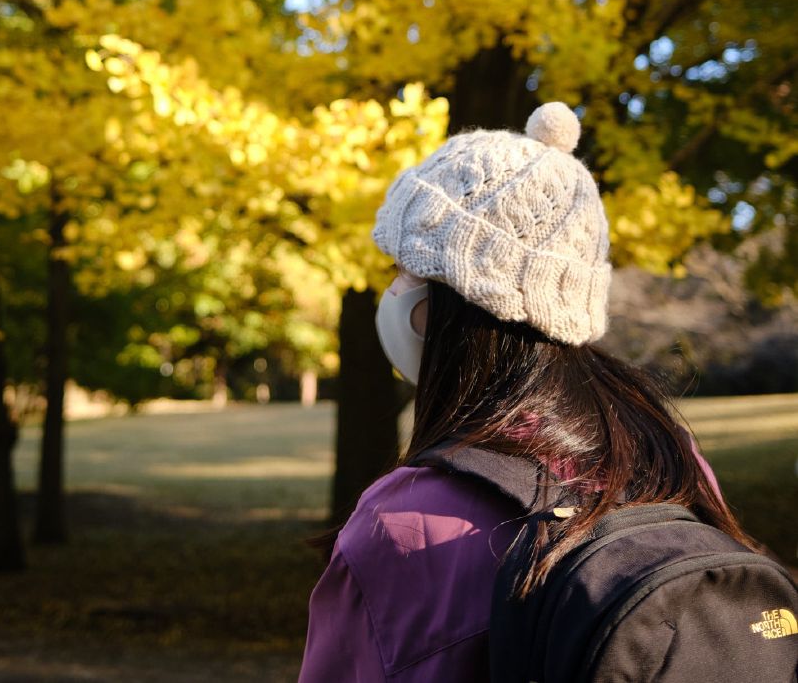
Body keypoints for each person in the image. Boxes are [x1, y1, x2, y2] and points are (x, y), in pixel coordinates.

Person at [298, 102, 754, 682]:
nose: (392, 287)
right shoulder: (674, 459)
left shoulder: (403, 521)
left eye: (406, 267)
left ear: (458, 302)